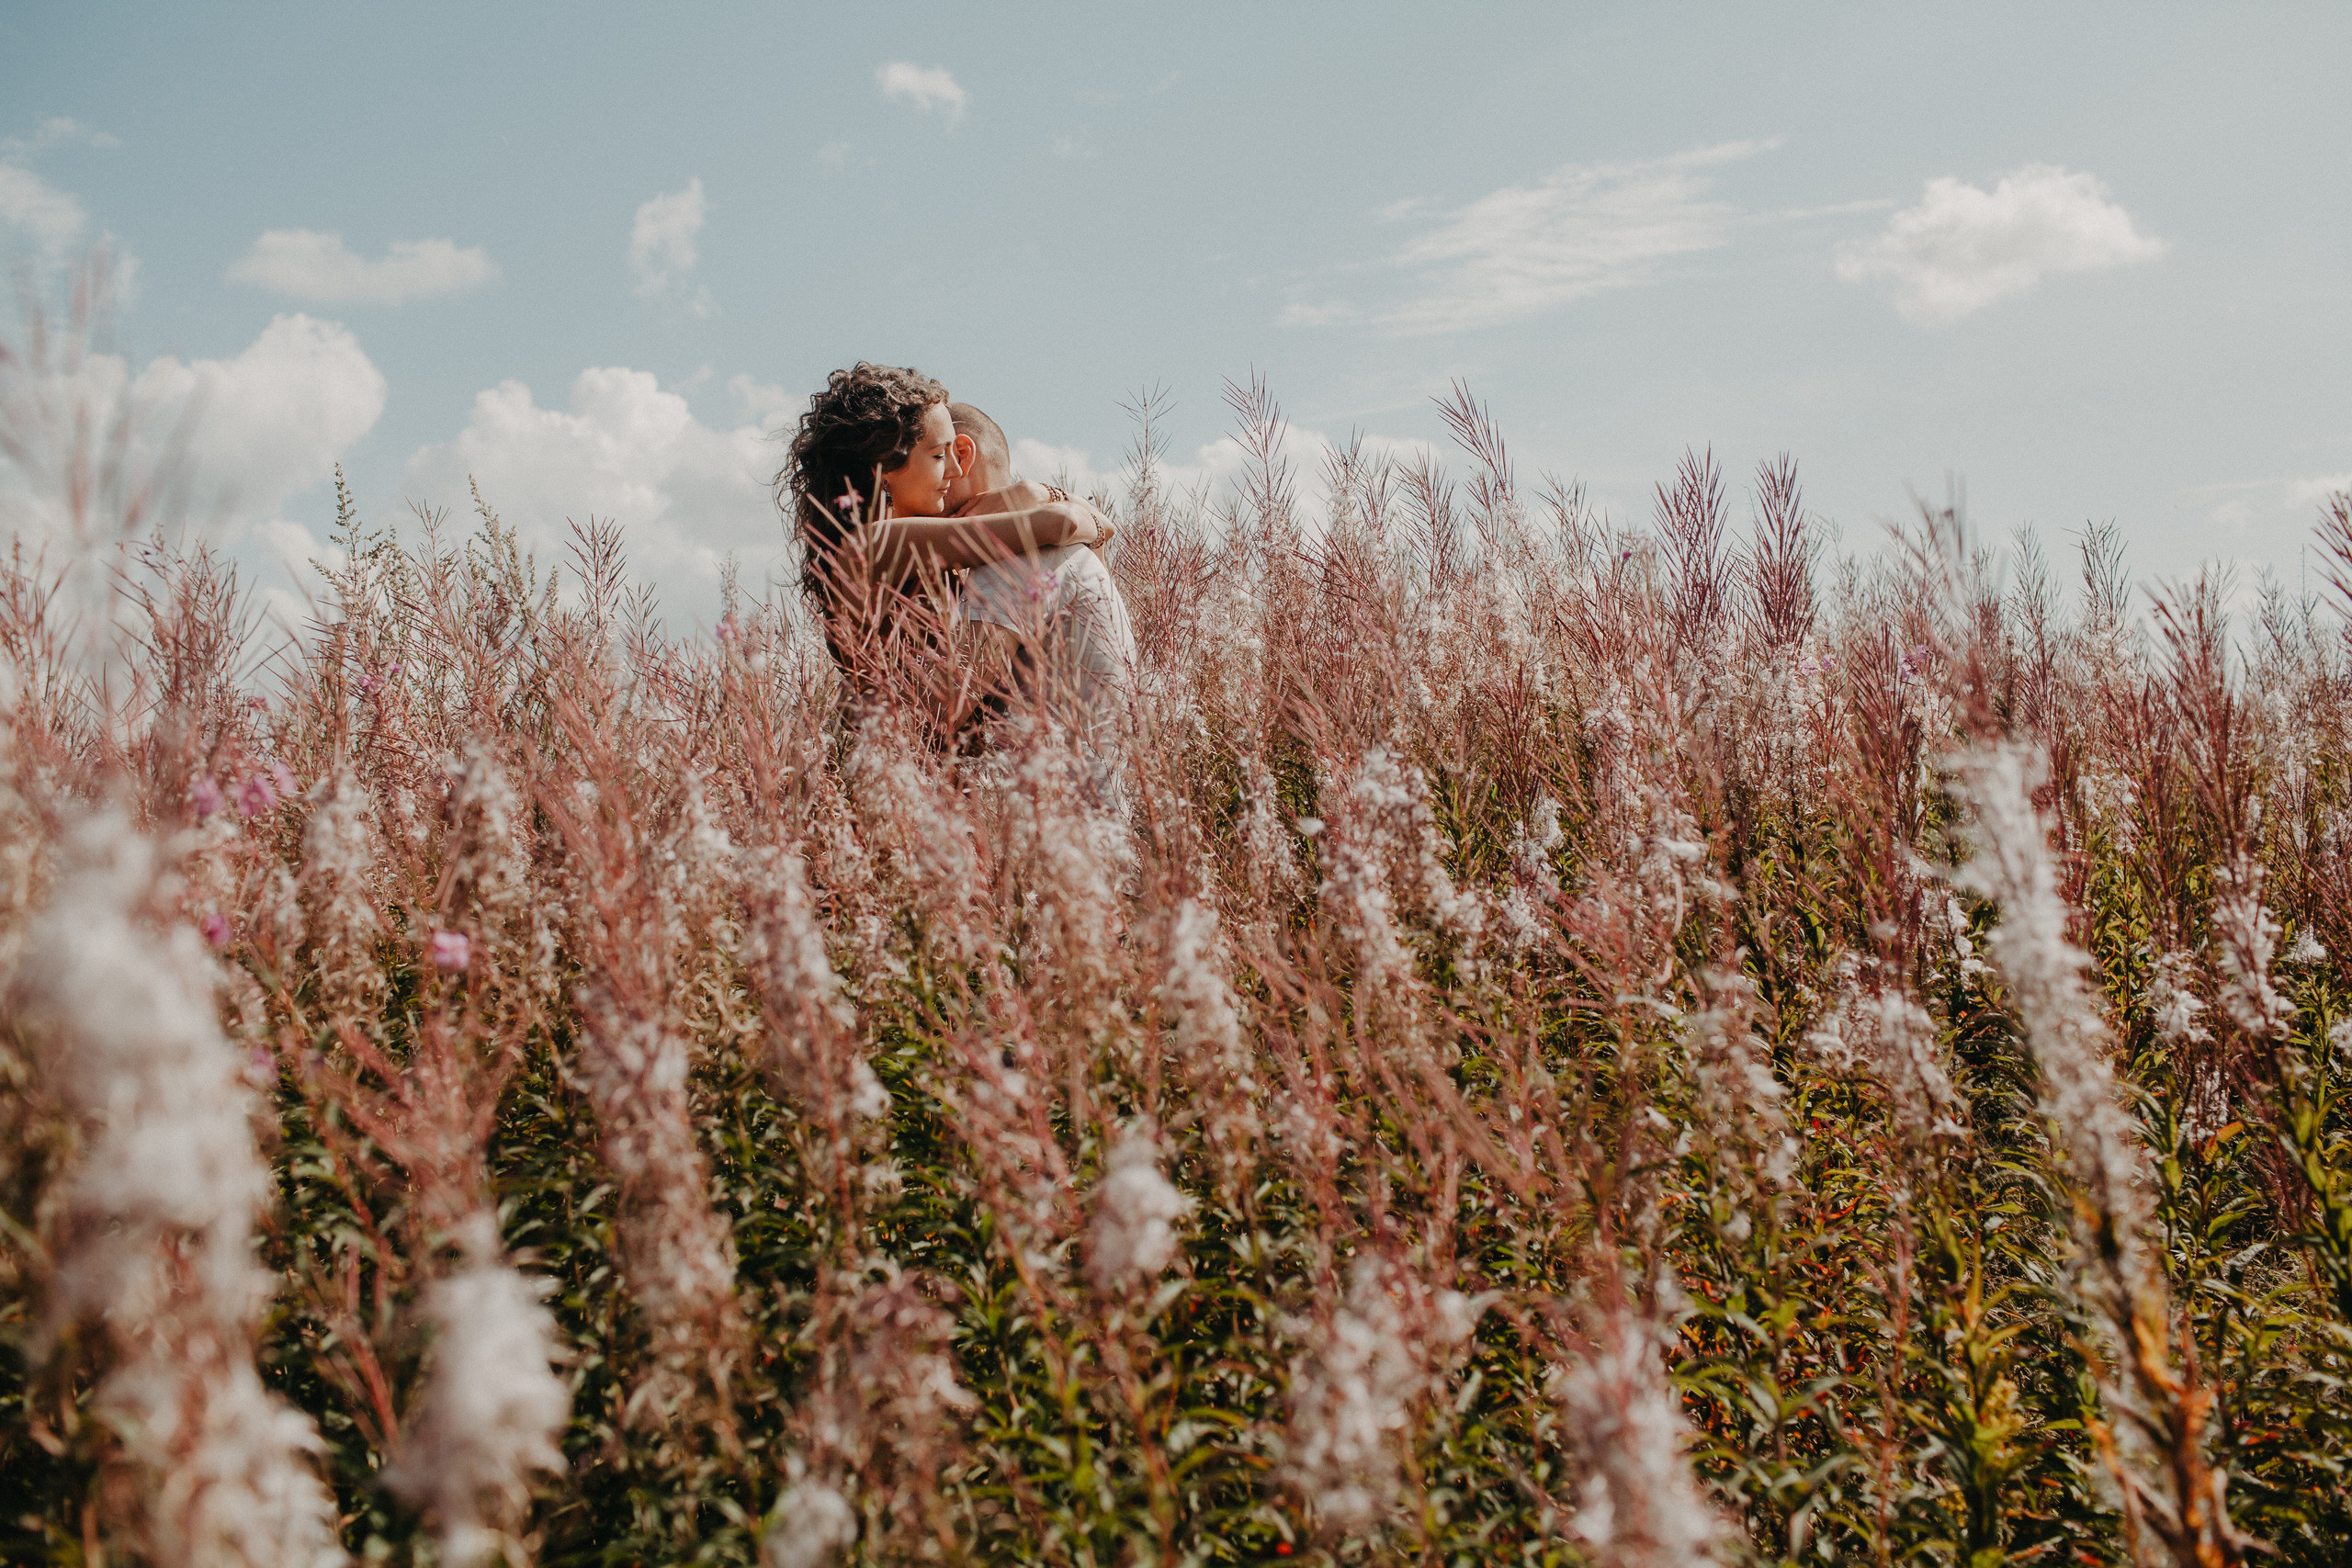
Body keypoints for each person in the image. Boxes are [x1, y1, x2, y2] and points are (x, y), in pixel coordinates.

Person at [778, 363, 1113, 729]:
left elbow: (1095, 533)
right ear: (884, 470)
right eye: (939, 455)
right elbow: (1061, 525)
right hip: (916, 761)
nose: (955, 470)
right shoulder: (871, 545)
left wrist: (1049, 502)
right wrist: (1035, 495)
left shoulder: (904, 547)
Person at [942, 401, 1137, 779]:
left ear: (961, 454)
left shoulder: (1014, 559)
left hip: (1053, 823)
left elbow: (943, 706)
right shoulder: (1053, 549)